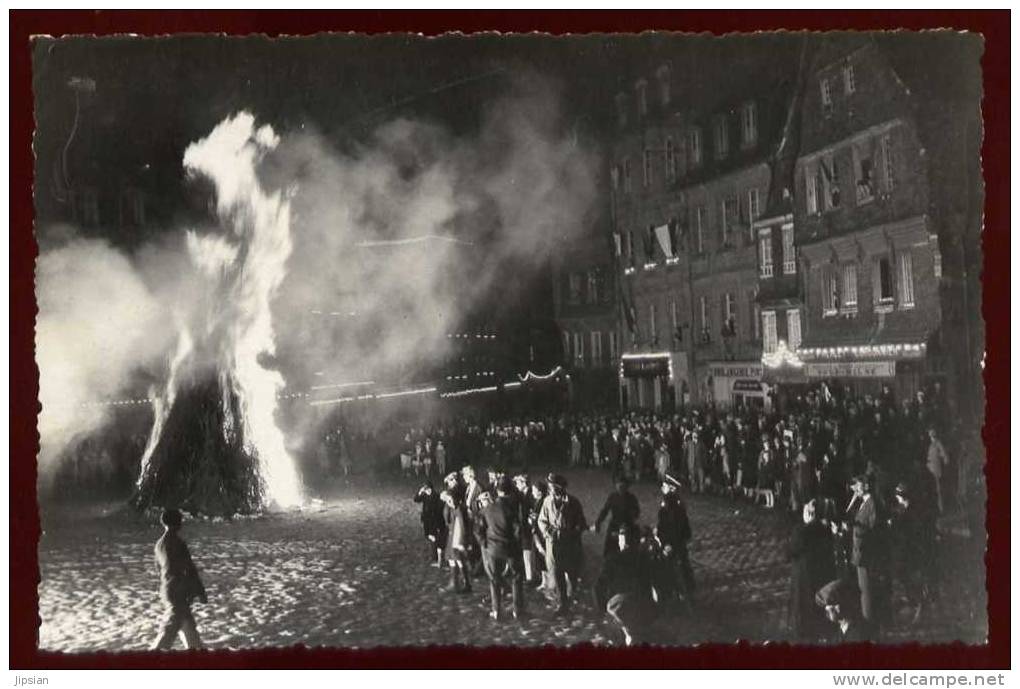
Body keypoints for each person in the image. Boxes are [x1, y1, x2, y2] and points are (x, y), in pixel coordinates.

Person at [151, 508, 207, 650]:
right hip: (179, 591)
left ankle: (198, 656)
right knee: (168, 632)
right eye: (180, 520)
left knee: (187, 628)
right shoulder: (178, 543)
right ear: (177, 522)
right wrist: (200, 591)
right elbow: (189, 568)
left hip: (167, 589)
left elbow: (159, 569)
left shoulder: (158, 545)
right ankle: (149, 660)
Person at [594, 524, 656, 646]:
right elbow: (654, 586)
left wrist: (602, 611)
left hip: (619, 609)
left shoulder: (613, 559)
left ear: (623, 540)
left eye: (620, 538)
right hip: (643, 609)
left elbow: (598, 587)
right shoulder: (646, 558)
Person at [475, 477, 526, 620]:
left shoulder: (486, 510)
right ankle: (517, 609)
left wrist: (484, 543)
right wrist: (516, 545)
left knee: (494, 580)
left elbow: (478, 530)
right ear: (509, 492)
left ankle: (496, 610)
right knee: (516, 577)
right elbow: (518, 530)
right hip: (510, 549)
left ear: (496, 492)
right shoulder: (512, 510)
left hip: (492, 549)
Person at [537, 473, 588, 614]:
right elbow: (541, 520)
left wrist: (574, 531)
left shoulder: (573, 502)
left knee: (572, 573)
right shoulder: (547, 502)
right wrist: (547, 532)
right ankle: (563, 603)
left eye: (552, 487)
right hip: (554, 544)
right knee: (557, 572)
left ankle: (572, 596)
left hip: (570, 544)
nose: (550, 490)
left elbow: (581, 523)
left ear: (560, 487)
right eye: (549, 487)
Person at [787, 499, 834, 642]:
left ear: (809, 513)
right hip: (820, 576)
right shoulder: (825, 529)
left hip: (803, 577)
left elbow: (789, 552)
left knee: (802, 606)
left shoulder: (801, 530)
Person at [655, 474, 695, 605]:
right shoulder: (678, 503)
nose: (662, 487)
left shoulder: (668, 503)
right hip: (679, 540)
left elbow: (666, 525)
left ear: (671, 488)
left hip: (671, 541)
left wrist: (664, 541)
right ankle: (689, 587)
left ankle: (673, 591)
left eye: (665, 485)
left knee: (668, 565)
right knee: (684, 563)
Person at [593, 476, 641, 556]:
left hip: (627, 526)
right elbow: (605, 510)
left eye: (623, 487)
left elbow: (636, 512)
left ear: (626, 487)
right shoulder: (613, 497)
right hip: (614, 524)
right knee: (609, 548)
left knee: (626, 549)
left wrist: (631, 517)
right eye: (619, 486)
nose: (620, 489)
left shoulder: (631, 499)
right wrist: (598, 522)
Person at [440, 489, 472, 594]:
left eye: (451, 500)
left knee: (458, 559)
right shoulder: (452, 508)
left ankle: (465, 583)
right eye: (448, 500)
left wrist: (461, 542)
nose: (449, 502)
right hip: (452, 536)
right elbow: (446, 519)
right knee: (452, 559)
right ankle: (454, 582)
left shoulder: (460, 510)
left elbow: (462, 527)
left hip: (457, 538)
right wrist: (447, 503)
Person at [414, 481, 447, 568]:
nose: (427, 491)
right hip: (427, 520)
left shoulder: (436, 496)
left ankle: (435, 557)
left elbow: (438, 510)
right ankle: (434, 556)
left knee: (434, 538)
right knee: (429, 536)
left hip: (434, 521)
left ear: (431, 488)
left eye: (428, 489)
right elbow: (416, 499)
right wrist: (420, 492)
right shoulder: (425, 495)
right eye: (426, 490)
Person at [925, 427, 950, 514]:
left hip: (936, 468)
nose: (931, 434)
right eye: (930, 433)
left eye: (933, 432)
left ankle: (941, 509)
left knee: (938, 489)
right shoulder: (928, 445)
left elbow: (944, 455)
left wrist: (945, 459)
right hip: (929, 469)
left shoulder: (938, 443)